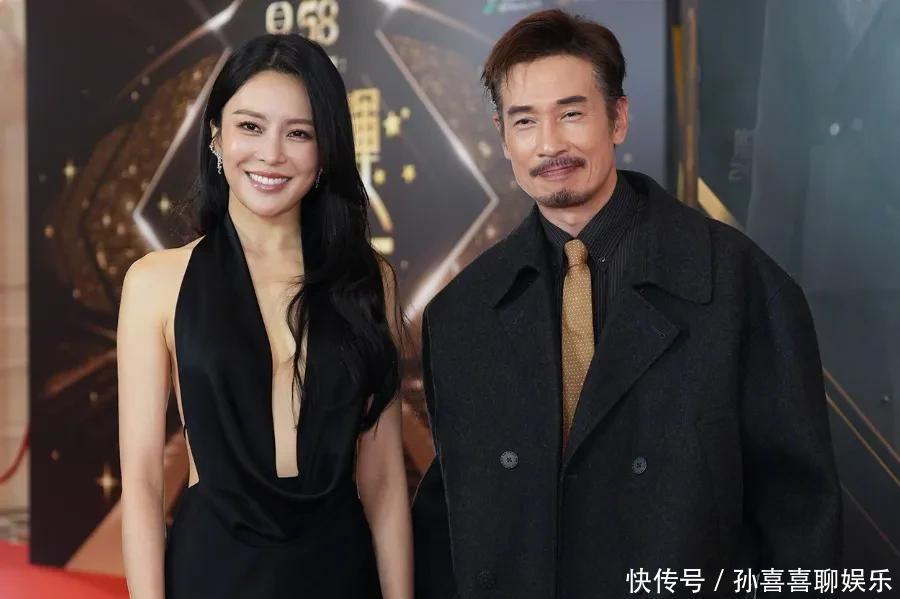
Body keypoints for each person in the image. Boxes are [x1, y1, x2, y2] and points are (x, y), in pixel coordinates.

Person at [412, 9, 841, 599]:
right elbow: (450, 521)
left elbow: (800, 513)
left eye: (571, 113)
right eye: (525, 121)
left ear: (617, 118)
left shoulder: (740, 284)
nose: (550, 145)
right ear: (503, 137)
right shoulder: (459, 315)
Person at [118, 34, 412, 599]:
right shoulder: (156, 282)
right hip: (213, 573)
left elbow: (382, 480)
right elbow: (144, 483)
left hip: (339, 573)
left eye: (298, 133)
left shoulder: (368, 279)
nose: (271, 154)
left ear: (325, 151)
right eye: (250, 126)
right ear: (217, 136)